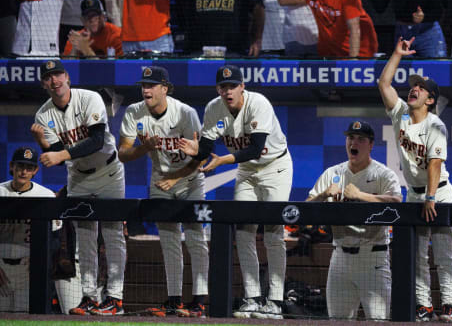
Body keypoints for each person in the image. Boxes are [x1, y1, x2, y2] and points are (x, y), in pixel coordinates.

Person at [178, 65, 292, 319]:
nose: (228, 91)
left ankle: (275, 301)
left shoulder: (258, 103)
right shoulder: (213, 108)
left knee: (274, 234)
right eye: (223, 87)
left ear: (242, 87)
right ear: (218, 89)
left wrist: (223, 161)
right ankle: (252, 297)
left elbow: (256, 148)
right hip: (247, 171)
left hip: (276, 167)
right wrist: (196, 151)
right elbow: (207, 147)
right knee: (243, 232)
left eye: (233, 86)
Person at [31, 60, 126, 316]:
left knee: (113, 233)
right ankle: (90, 297)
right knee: (84, 239)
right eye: (49, 77)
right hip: (78, 176)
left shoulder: (89, 99)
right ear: (44, 83)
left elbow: (95, 141)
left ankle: (115, 298)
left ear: (67, 77)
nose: (55, 80)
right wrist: (43, 144)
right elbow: (53, 156)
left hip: (108, 171)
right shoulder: (43, 115)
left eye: (58, 74)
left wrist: (59, 155)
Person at [118, 66, 208, 318]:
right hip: (160, 179)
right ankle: (174, 300)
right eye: (143, 85)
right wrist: (142, 148)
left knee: (194, 237)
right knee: (168, 240)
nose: (146, 89)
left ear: (165, 88)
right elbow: (123, 154)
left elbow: (201, 157)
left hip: (189, 179)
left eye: (152, 85)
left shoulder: (185, 113)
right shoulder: (134, 112)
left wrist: (177, 176)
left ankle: (199, 300)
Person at [378, 38, 452, 322]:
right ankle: (424, 305)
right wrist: (396, 54)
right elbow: (384, 85)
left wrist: (431, 198)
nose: (415, 89)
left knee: (444, 253)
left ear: (430, 100)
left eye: (421, 88)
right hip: (414, 193)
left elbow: (435, 164)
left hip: (440, 193)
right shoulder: (400, 114)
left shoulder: (436, 124)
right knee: (418, 254)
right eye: (414, 86)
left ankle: (448, 304)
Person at [306, 121, 402, 320]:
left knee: (378, 320)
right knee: (338, 321)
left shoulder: (382, 174)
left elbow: (396, 202)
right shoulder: (333, 173)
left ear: (371, 145)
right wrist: (324, 194)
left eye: (360, 139)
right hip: (340, 257)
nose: (354, 143)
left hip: (373, 257)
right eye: (350, 138)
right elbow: (306, 208)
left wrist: (361, 195)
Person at [0, 147, 59, 313]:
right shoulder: (0, 191)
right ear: (11, 166)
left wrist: (40, 263)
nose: (23, 172)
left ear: (35, 171)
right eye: (20, 166)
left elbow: (54, 237)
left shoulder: (46, 195)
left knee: (26, 315)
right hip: (0, 266)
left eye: (29, 168)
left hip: (29, 267)